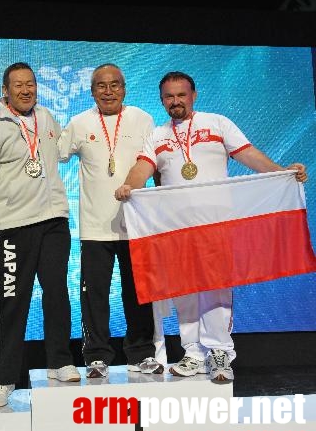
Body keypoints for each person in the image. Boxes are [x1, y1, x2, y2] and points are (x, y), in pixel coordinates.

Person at [115, 71, 307, 383]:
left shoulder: (217, 123)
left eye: (181, 95)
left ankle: (219, 351)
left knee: (217, 288)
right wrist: (129, 185)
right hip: (177, 227)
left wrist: (280, 171)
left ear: (194, 95)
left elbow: (248, 154)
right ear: (162, 99)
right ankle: (192, 353)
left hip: (217, 224)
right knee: (185, 289)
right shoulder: (158, 136)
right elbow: (142, 168)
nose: (175, 101)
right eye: (169, 96)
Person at [0, 62, 80, 408]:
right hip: (14, 226)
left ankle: (60, 362)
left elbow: (61, 151)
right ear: (6, 90)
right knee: (11, 302)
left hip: (54, 221)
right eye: (18, 85)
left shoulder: (46, 118)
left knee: (57, 293)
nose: (26, 90)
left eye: (30, 84)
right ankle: (1, 379)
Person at [57, 63, 163, 378]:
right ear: (92, 91)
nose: (108, 91)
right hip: (94, 227)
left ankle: (141, 354)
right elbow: (54, 155)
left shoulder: (142, 119)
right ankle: (96, 357)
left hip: (136, 225)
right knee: (94, 296)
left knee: (139, 293)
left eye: (114, 85)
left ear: (124, 88)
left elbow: (154, 164)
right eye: (101, 86)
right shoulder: (78, 123)